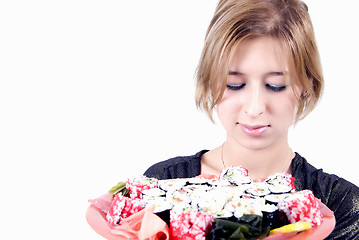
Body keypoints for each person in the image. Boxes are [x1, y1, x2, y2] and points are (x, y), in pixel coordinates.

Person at [143, 0, 359, 239]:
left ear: (306, 84)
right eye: (233, 84)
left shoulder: (341, 206)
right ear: (209, 82)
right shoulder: (163, 185)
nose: (255, 108)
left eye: (276, 86)